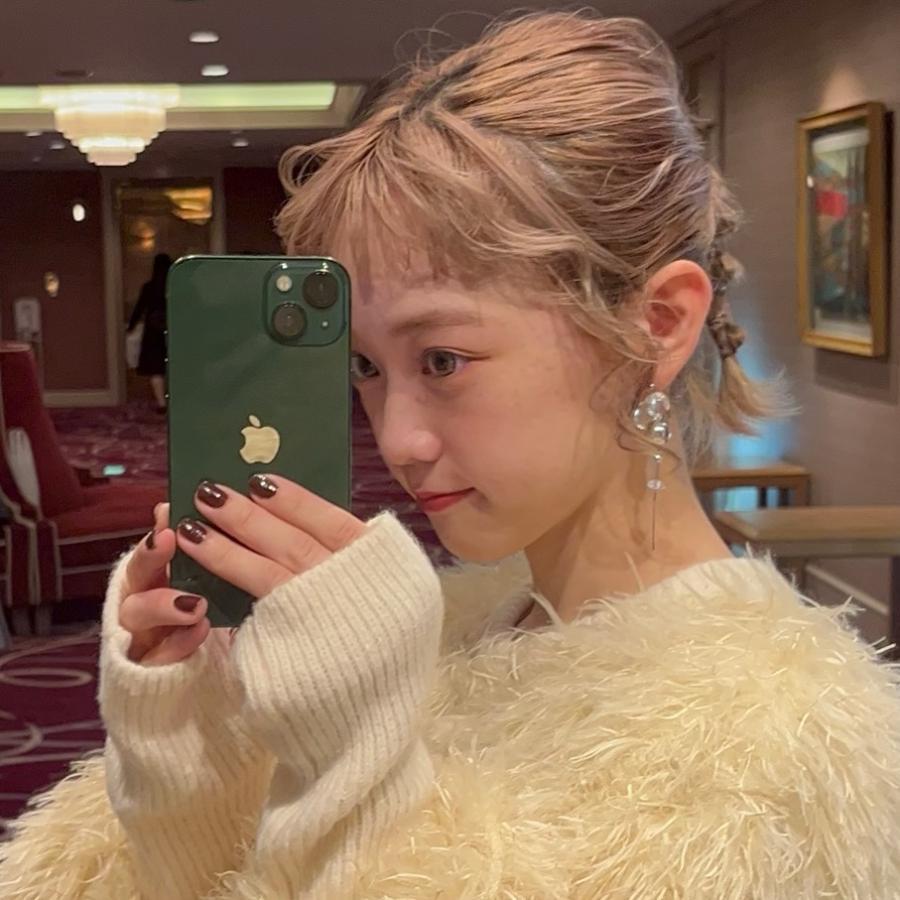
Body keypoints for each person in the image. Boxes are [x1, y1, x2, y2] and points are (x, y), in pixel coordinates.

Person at [3, 12, 900, 899]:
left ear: (654, 325)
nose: (396, 440)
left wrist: (356, 753)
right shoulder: (461, 623)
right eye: (365, 366)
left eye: (443, 360)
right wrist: (188, 743)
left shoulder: (781, 750)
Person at [127, 252, 172, 412]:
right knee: (175, 368)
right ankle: (176, 401)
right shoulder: (177, 286)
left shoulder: (149, 287)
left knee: (156, 370)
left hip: (153, 332)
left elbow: (139, 309)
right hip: (175, 329)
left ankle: (161, 403)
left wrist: (131, 327)